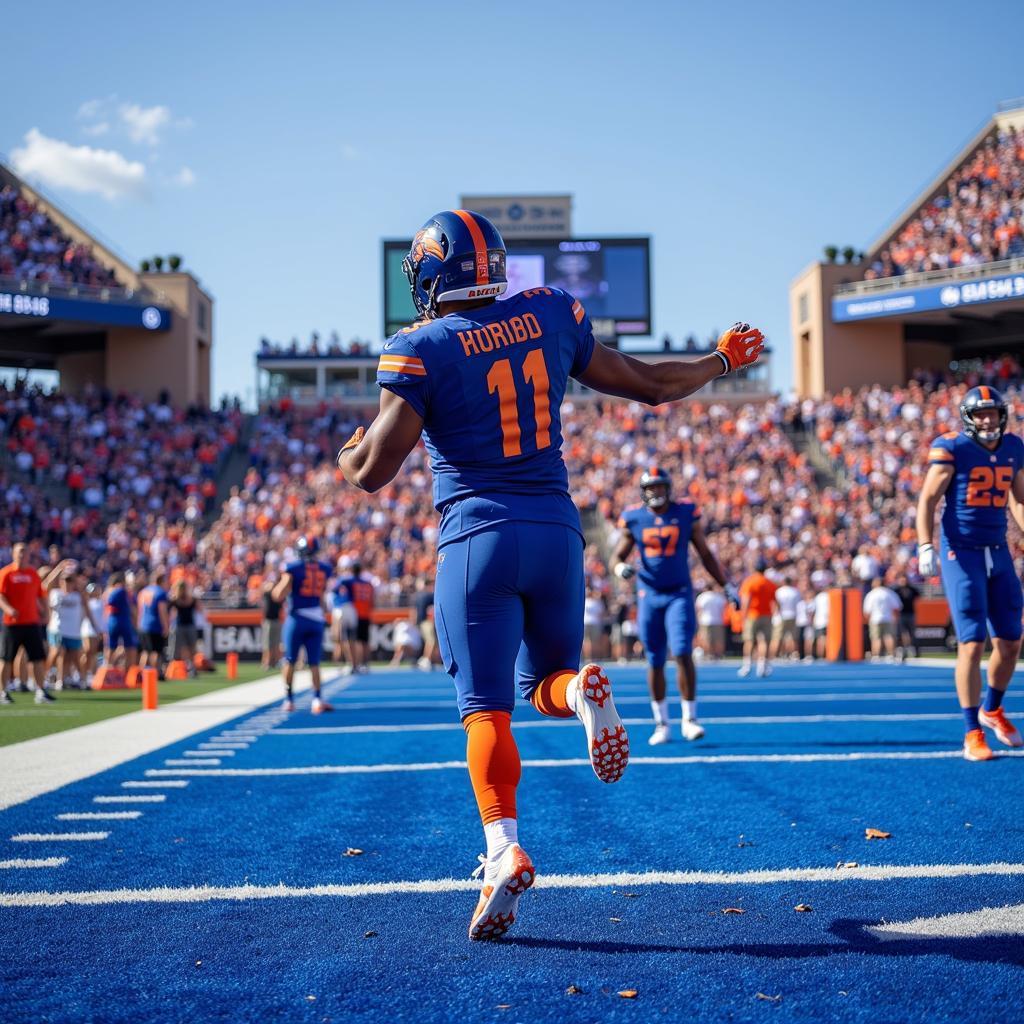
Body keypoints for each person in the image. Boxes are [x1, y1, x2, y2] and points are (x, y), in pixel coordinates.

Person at [336, 209, 763, 940]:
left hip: (478, 539)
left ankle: (502, 848)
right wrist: (722, 360)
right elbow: (652, 384)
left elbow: (373, 472)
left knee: (486, 708)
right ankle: (584, 693)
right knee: (546, 688)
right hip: (558, 533)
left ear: (435, 276)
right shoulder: (550, 313)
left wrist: (347, 451)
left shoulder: (420, 346)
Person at [918, 385, 1024, 761]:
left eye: (992, 413)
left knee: (1011, 640)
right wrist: (925, 544)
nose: (987, 419)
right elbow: (928, 498)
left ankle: (992, 709)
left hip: (997, 548)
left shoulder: (1013, 447)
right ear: (968, 418)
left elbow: (1018, 498)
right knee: (972, 641)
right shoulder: (952, 447)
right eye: (980, 414)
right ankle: (972, 732)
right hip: (960, 551)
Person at [612, 466, 737, 745]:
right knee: (655, 659)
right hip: (649, 594)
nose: (656, 492)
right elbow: (618, 555)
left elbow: (704, 553)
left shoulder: (684, 513)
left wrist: (725, 585)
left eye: (660, 486)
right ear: (644, 492)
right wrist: (620, 567)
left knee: (682, 651)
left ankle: (689, 719)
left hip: (679, 593)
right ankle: (661, 723)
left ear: (668, 488)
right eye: (651, 487)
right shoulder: (634, 518)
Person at [272, 536, 334, 713]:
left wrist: (273, 587)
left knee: (290, 660)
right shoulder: (324, 568)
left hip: (297, 618)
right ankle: (317, 700)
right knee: (314, 663)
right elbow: (322, 597)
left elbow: (279, 594)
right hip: (316, 619)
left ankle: (289, 700)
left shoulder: (293, 567)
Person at [0, 543, 52, 705]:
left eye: (26, 552)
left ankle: (41, 690)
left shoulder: (33, 574)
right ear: (13, 553)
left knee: (37, 658)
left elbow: (41, 595)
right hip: (12, 623)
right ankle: (3, 692)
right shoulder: (6, 573)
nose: (23, 555)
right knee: (6, 658)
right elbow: (0, 596)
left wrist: (45, 612)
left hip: (31, 622)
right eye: (20, 552)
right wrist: (8, 609)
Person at [738, 560, 778, 677]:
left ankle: (747, 665)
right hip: (766, 615)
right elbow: (774, 601)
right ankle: (762, 666)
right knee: (764, 641)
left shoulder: (750, 582)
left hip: (752, 615)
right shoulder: (769, 583)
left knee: (749, 641)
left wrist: (743, 615)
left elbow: (746, 599)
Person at [334, 562, 375, 672]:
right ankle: (365, 664)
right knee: (365, 641)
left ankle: (354, 664)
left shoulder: (350, 581)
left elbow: (337, 586)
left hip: (355, 613)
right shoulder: (368, 584)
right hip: (365, 613)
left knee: (351, 640)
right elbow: (372, 600)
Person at [137, 571, 170, 676]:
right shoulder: (160, 592)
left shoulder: (143, 591)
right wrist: (166, 626)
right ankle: (155, 673)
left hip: (143, 624)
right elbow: (162, 611)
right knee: (156, 651)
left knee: (146, 651)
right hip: (155, 624)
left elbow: (140, 609)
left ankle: (142, 673)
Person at [103, 571, 138, 670]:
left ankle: (108, 669)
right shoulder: (120, 590)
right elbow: (131, 608)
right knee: (130, 648)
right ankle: (126, 672)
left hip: (112, 621)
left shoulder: (108, 591)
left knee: (111, 647)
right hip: (122, 621)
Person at [862, 577, 902, 662]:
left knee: (876, 638)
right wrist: (895, 618)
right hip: (888, 618)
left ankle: (876, 656)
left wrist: (869, 620)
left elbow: (867, 610)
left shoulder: (871, 594)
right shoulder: (889, 593)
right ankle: (891, 655)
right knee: (889, 637)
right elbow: (897, 607)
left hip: (875, 619)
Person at [168, 579, 199, 675]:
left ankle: (192, 668)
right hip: (179, 626)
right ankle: (173, 668)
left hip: (189, 625)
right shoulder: (174, 600)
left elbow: (199, 609)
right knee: (176, 648)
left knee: (192, 648)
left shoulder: (192, 599)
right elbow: (168, 610)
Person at [770, 576, 801, 661]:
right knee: (793, 637)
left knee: (777, 637)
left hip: (781, 616)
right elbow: (798, 604)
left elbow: (775, 604)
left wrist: (775, 614)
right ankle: (794, 654)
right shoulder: (795, 591)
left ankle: (774, 655)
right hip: (792, 615)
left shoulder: (779, 591)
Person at [695, 584, 728, 661]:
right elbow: (724, 608)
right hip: (718, 620)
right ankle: (718, 655)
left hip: (705, 621)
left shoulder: (702, 597)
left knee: (706, 639)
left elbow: (699, 610)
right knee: (718, 639)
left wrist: (699, 620)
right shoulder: (719, 597)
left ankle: (709, 654)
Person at [893, 572, 920, 660]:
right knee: (903, 634)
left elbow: (918, 595)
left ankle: (915, 650)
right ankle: (904, 651)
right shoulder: (896, 590)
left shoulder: (911, 589)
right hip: (901, 614)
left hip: (911, 613)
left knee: (912, 633)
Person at [260, 574, 283, 670]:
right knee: (267, 643)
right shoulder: (267, 593)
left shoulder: (279, 593)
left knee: (276, 643)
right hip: (268, 620)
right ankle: (267, 662)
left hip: (276, 620)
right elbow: (264, 589)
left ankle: (275, 661)